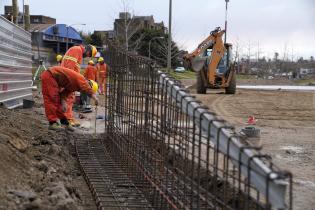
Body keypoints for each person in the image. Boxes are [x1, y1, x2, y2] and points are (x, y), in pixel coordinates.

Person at [41, 65, 98, 131]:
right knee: (52, 100)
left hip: (54, 78)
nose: (84, 93)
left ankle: (65, 123)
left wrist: (63, 102)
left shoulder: (75, 85)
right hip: (50, 76)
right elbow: (86, 87)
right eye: (86, 92)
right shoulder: (82, 79)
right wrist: (94, 97)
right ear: (89, 85)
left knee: (57, 101)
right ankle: (52, 123)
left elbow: (64, 94)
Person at [61, 44, 97, 127]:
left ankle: (69, 118)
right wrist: (72, 81)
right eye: (89, 55)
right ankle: (67, 119)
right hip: (67, 78)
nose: (87, 57)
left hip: (69, 79)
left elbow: (75, 69)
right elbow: (69, 68)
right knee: (68, 98)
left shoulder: (78, 52)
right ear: (88, 51)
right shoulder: (76, 50)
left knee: (70, 98)